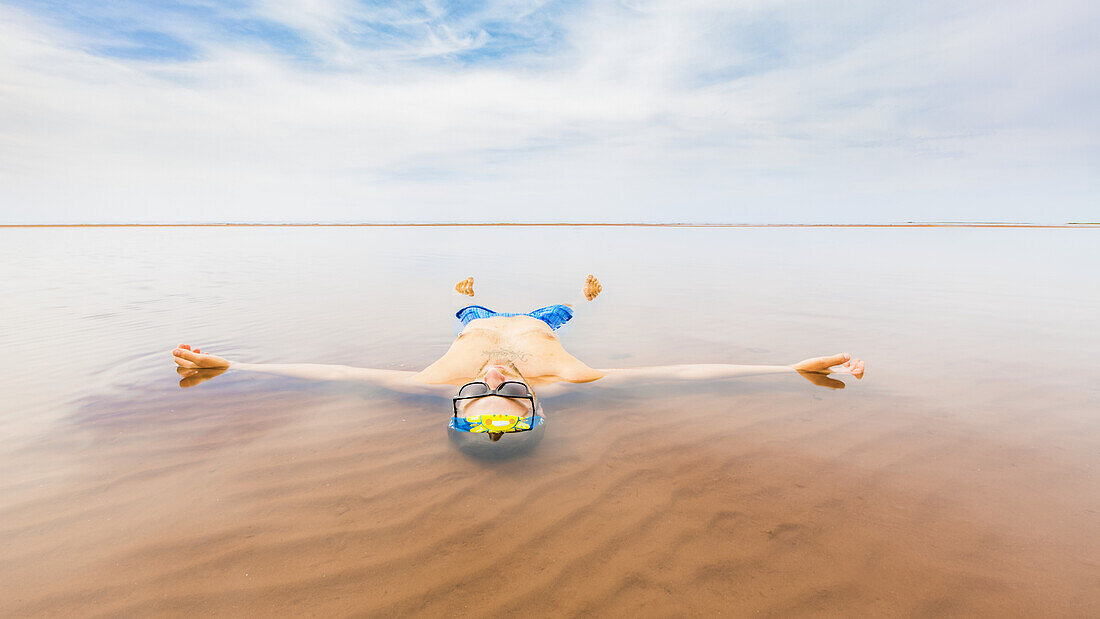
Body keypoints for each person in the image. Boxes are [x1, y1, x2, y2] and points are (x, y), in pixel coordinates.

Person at [172, 275, 865, 442]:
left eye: (483, 389)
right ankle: (572, 295)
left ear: (463, 401)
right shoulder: (565, 379)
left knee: (466, 311)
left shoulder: (430, 383)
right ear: (531, 404)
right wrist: (786, 369)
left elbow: (331, 372)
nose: (496, 376)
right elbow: (681, 372)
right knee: (558, 309)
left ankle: (465, 295)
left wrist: (233, 364)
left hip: (478, 321)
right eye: (506, 390)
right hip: (537, 323)